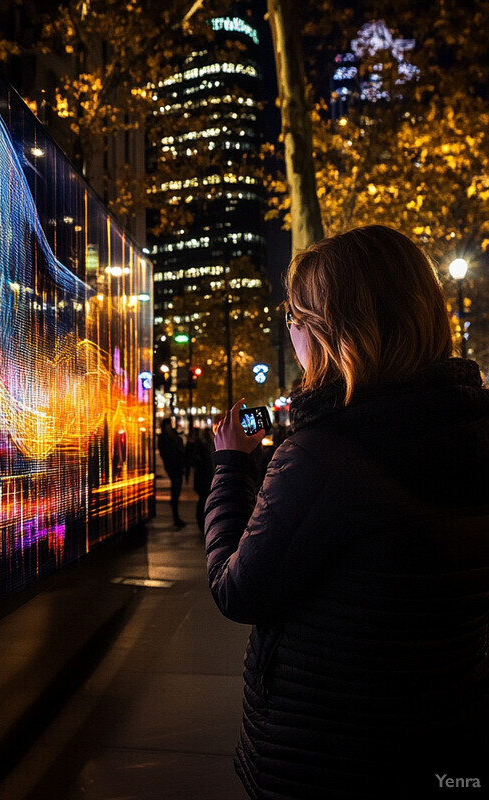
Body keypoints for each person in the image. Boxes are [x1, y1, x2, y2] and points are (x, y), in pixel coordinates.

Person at [204, 225, 489, 799]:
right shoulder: (475, 432)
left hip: (326, 758)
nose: (291, 333)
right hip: (446, 737)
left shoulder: (323, 455)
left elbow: (236, 590)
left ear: (339, 333)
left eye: (298, 319)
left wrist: (232, 468)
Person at [158, 417, 187, 528]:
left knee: (176, 489)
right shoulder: (166, 438)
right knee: (176, 489)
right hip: (174, 466)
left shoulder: (170, 436)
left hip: (176, 466)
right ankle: (176, 516)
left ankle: (176, 515)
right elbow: (168, 453)